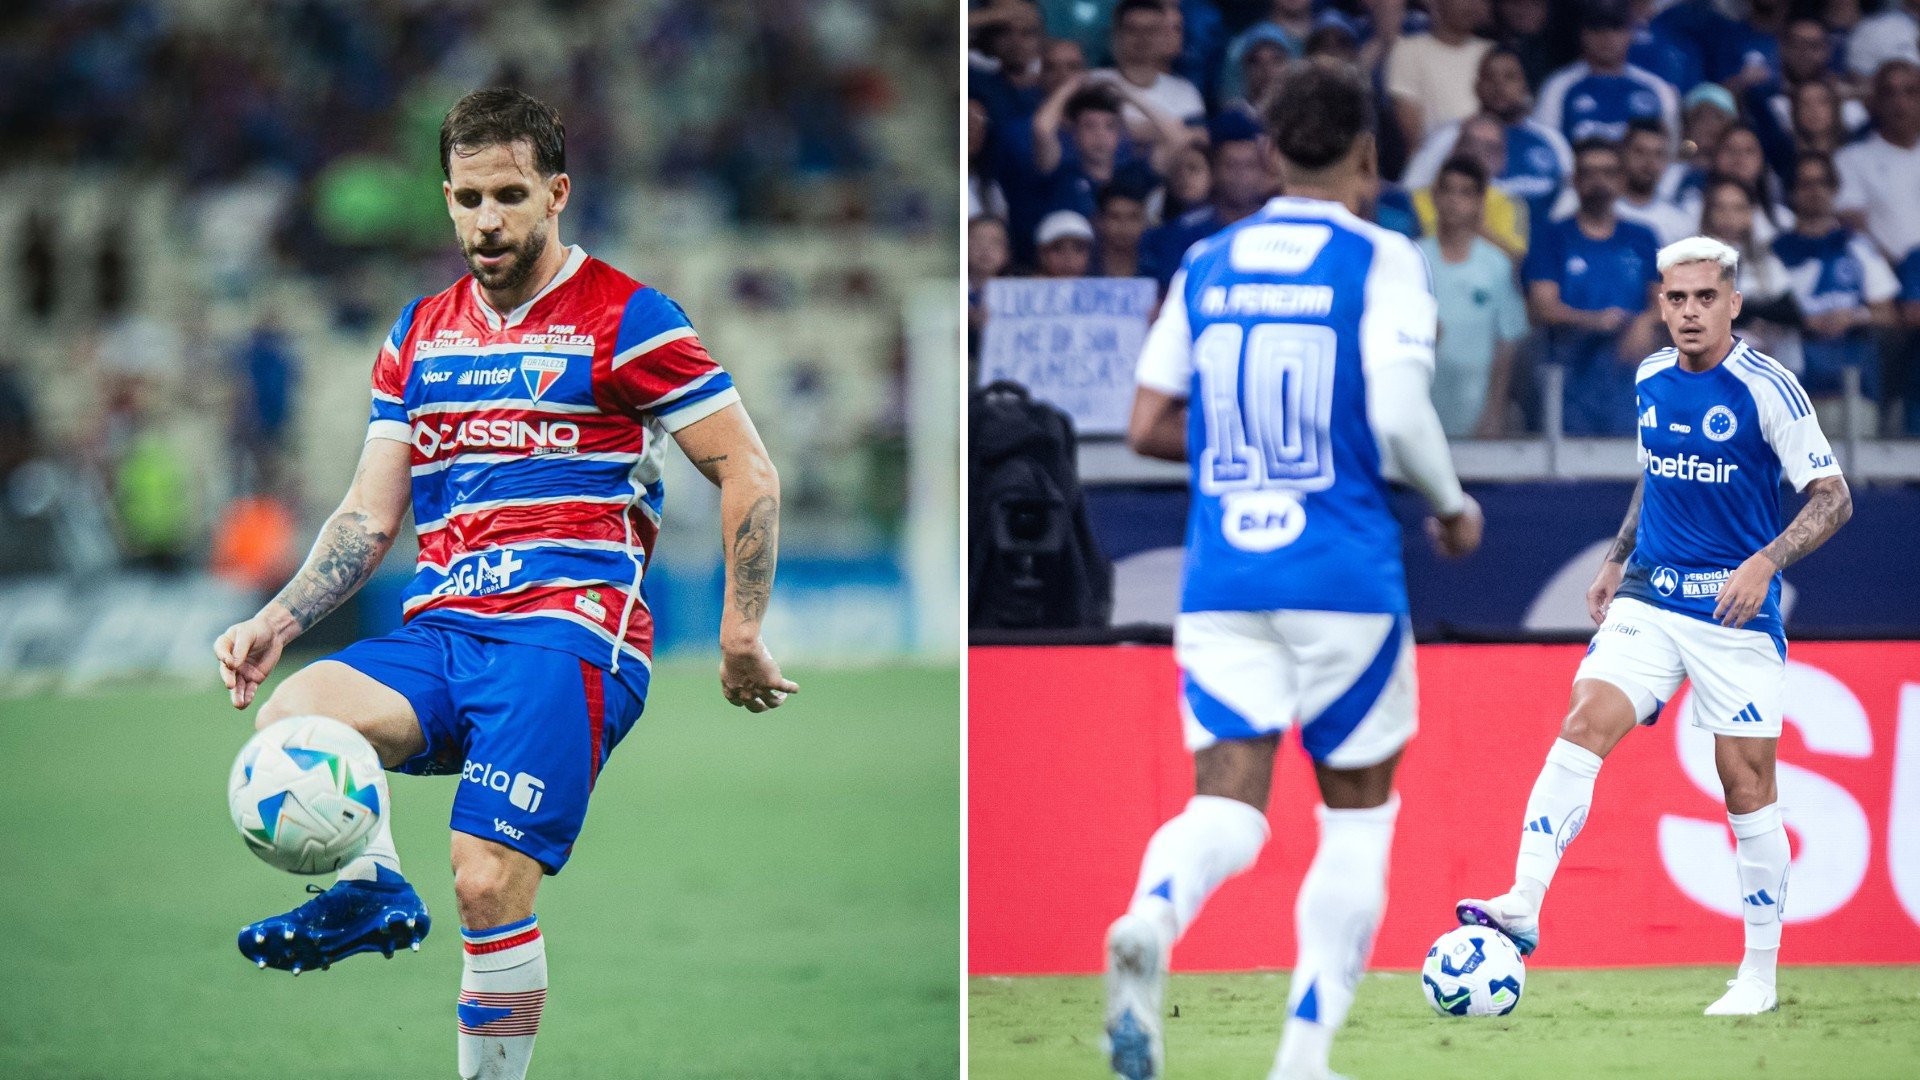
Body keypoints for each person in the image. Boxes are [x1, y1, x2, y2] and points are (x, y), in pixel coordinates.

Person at [214, 89, 798, 1080]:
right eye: (469, 198)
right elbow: (368, 512)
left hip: (568, 633)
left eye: (509, 195)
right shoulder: (417, 337)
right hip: (446, 633)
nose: (488, 219)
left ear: (555, 193)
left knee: (486, 883)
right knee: (297, 712)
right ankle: (374, 891)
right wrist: (278, 615)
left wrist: (742, 629)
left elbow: (748, 467)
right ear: (446, 199)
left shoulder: (631, 318)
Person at [1104, 60, 1482, 1080]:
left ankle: (1151, 916)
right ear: (1369, 154)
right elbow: (1402, 417)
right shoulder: (1381, 258)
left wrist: (1246, 444)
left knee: (1225, 807)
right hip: (1343, 573)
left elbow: (1144, 424)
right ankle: (1302, 1059)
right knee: (1356, 823)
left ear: (1269, 151)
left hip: (1225, 576)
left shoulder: (1211, 261)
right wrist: (1451, 507)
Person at [1456, 233, 1852, 1018]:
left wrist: (1766, 561)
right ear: (1660, 303)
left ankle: (1759, 975)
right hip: (1651, 599)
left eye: (1707, 297)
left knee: (1746, 787)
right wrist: (1616, 556)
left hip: (1734, 611)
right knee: (1583, 721)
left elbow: (1834, 497)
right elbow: (1656, 473)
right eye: (1677, 298)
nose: (1691, 312)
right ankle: (1524, 901)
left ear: (1733, 302)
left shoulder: (1769, 386)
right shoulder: (1649, 377)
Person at [1521, 138, 1663, 435]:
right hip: (1567, 375)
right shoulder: (1551, 236)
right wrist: (1595, 321)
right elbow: (1540, 307)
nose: (1599, 181)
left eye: (1609, 173)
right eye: (1590, 173)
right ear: (1575, 180)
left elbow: (1663, 300)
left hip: (1629, 376)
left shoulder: (1642, 237)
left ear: (1622, 180)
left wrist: (1644, 323)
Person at [1773, 151, 1899, 427]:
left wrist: (1853, 317)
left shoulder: (1857, 247)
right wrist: (1804, 322)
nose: (1815, 191)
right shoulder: (1774, 253)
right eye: (1805, 184)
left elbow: (1889, 313)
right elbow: (1759, 319)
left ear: (1834, 189)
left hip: (1854, 390)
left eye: (1822, 183)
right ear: (1791, 193)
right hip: (1789, 391)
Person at [1401, 48, 1574, 233]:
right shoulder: (1449, 136)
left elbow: (1572, 192)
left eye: (1510, 77)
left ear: (1525, 85)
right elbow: (1411, 190)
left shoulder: (1550, 139)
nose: (1499, 87)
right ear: (1477, 87)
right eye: (1490, 78)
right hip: (1469, 249)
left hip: (1544, 243)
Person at [1421, 156, 1529, 437]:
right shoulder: (1412, 258)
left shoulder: (1497, 265)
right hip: (1421, 406)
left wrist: (1494, 413)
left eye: (1465, 192)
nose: (1455, 201)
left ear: (1480, 201)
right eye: (1448, 190)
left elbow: (1506, 345)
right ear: (1435, 196)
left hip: (1476, 410)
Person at [1139, 121, 1274, 289]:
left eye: (1249, 165)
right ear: (1214, 170)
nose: (1240, 175)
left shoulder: (1279, 230)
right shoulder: (1182, 232)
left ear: (1266, 171)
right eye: (1230, 165)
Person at [1534, 0, 1680, 149]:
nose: (1607, 37)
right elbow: (1547, 145)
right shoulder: (1558, 87)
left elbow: (1670, 151)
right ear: (1582, 33)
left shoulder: (1655, 88)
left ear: (1630, 32)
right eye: (1597, 28)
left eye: (1615, 27)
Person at [1835, 59, 1920, 270]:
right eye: (1889, 93)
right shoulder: (1851, 159)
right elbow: (1854, 225)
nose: (1900, 103)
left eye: (1911, 92)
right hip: (1892, 275)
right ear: (1876, 102)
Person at [1385, 0, 1496, 146]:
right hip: (1435, 158)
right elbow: (1413, 136)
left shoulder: (1492, 52)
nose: (1472, 5)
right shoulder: (1408, 51)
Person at [1096, 0, 1206, 139]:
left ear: (1163, 36)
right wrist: (1173, 129)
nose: (1142, 38)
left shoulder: (1186, 93)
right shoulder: (1095, 84)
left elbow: (1200, 137)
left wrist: (1128, 128)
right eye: (1132, 30)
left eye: (1151, 30)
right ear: (1117, 35)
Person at [1615, 117, 1694, 246]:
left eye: (1658, 154)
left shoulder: (1680, 224)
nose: (1649, 162)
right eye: (1640, 152)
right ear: (1622, 154)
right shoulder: (1602, 212)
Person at [1094, 184, 1149, 277]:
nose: (1124, 226)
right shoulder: (1085, 266)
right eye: (1115, 217)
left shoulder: (1155, 266)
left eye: (1133, 217)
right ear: (1100, 221)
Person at [1035, 209, 1096, 276]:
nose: (1069, 258)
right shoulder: (1026, 285)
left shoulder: (1100, 285)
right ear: (1042, 255)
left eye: (1078, 249)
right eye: (1057, 248)